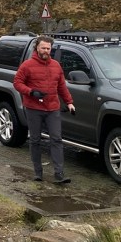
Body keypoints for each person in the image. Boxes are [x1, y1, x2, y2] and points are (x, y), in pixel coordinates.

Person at [13, 35, 75, 184]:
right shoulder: (27, 65)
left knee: (56, 139)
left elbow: (61, 86)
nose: (46, 51)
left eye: (48, 48)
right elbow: (17, 83)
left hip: (53, 108)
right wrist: (31, 92)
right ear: (37, 48)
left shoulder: (56, 65)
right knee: (35, 140)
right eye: (43, 48)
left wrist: (69, 103)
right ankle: (38, 172)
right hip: (33, 108)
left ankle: (59, 174)